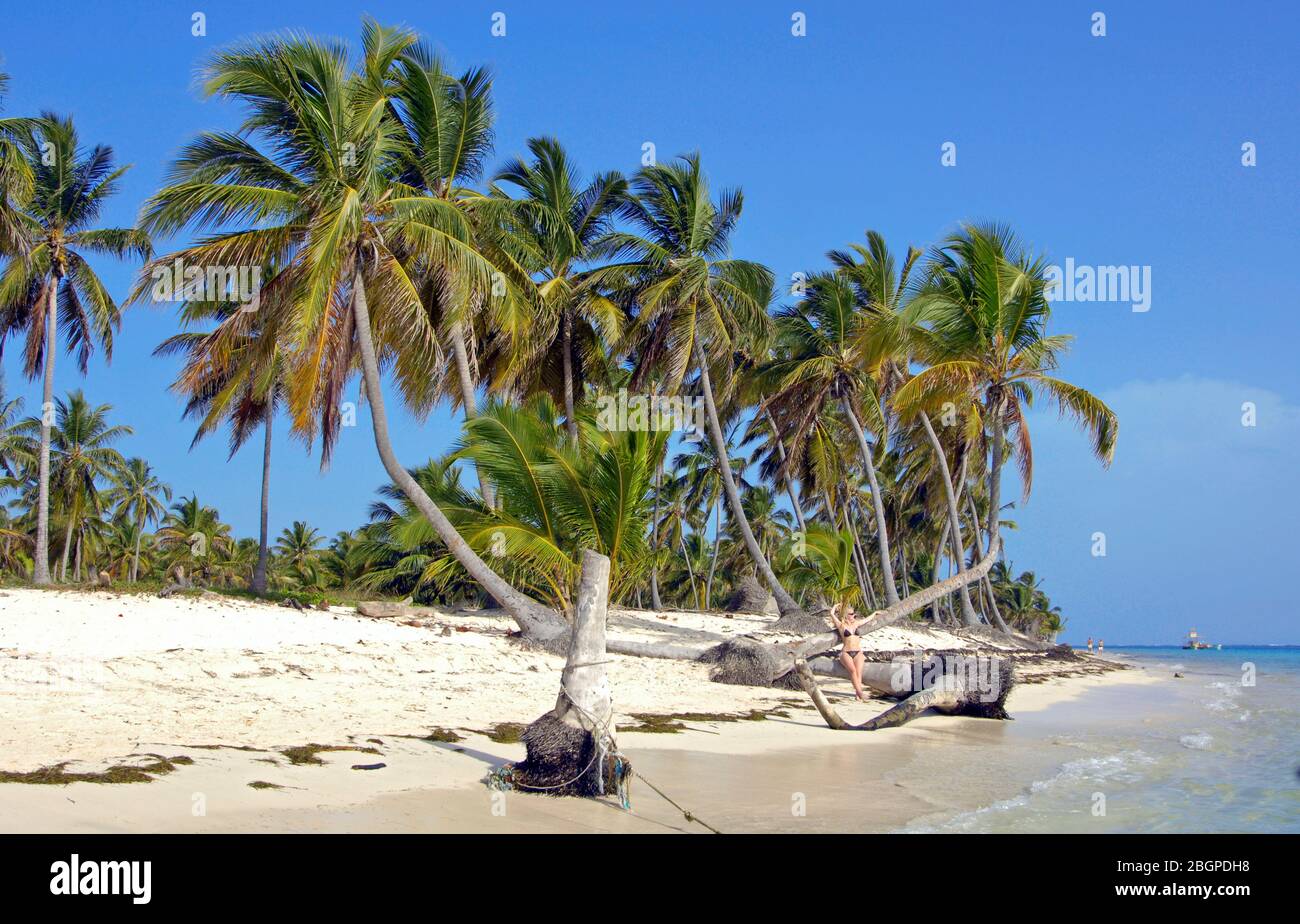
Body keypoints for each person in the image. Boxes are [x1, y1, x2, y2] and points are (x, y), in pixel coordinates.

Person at [830, 603, 869, 702]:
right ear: (845, 615)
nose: (853, 616)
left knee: (859, 673)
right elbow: (831, 613)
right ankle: (860, 693)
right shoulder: (841, 626)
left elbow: (867, 619)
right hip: (846, 652)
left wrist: (876, 613)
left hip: (858, 652)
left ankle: (857, 695)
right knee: (852, 671)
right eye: (851, 614)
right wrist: (836, 606)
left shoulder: (856, 624)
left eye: (854, 614)